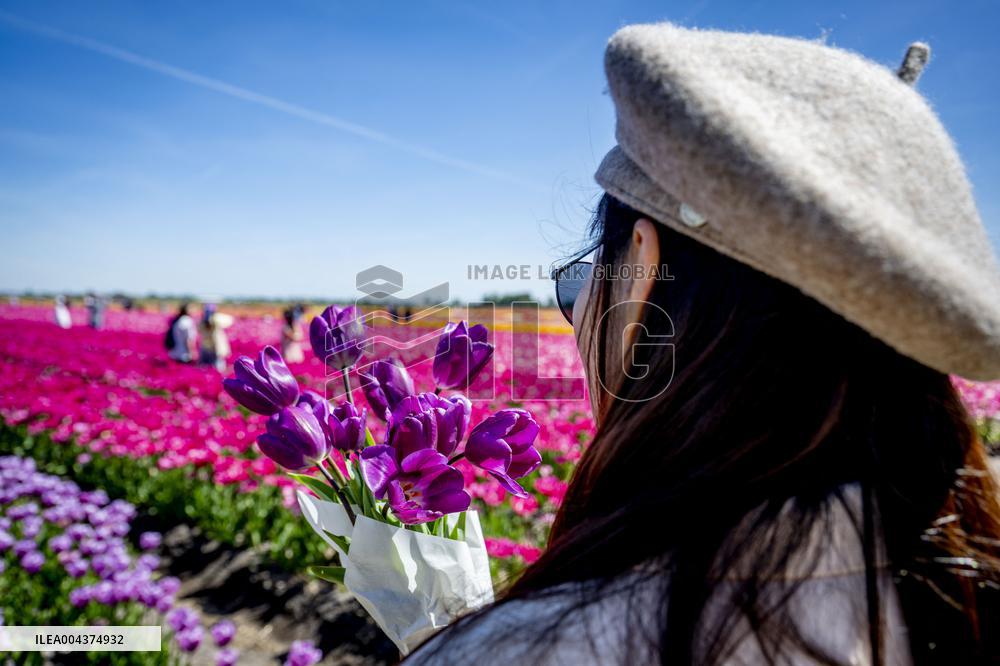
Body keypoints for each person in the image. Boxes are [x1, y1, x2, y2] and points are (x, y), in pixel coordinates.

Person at [409, 25, 1000, 665]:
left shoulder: (534, 650)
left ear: (639, 269)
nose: (577, 310)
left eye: (580, 278)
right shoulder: (965, 580)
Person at [198, 304, 234, 371]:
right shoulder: (216, 320)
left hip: (206, 347)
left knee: (206, 366)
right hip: (216, 347)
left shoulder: (202, 322)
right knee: (218, 366)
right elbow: (230, 320)